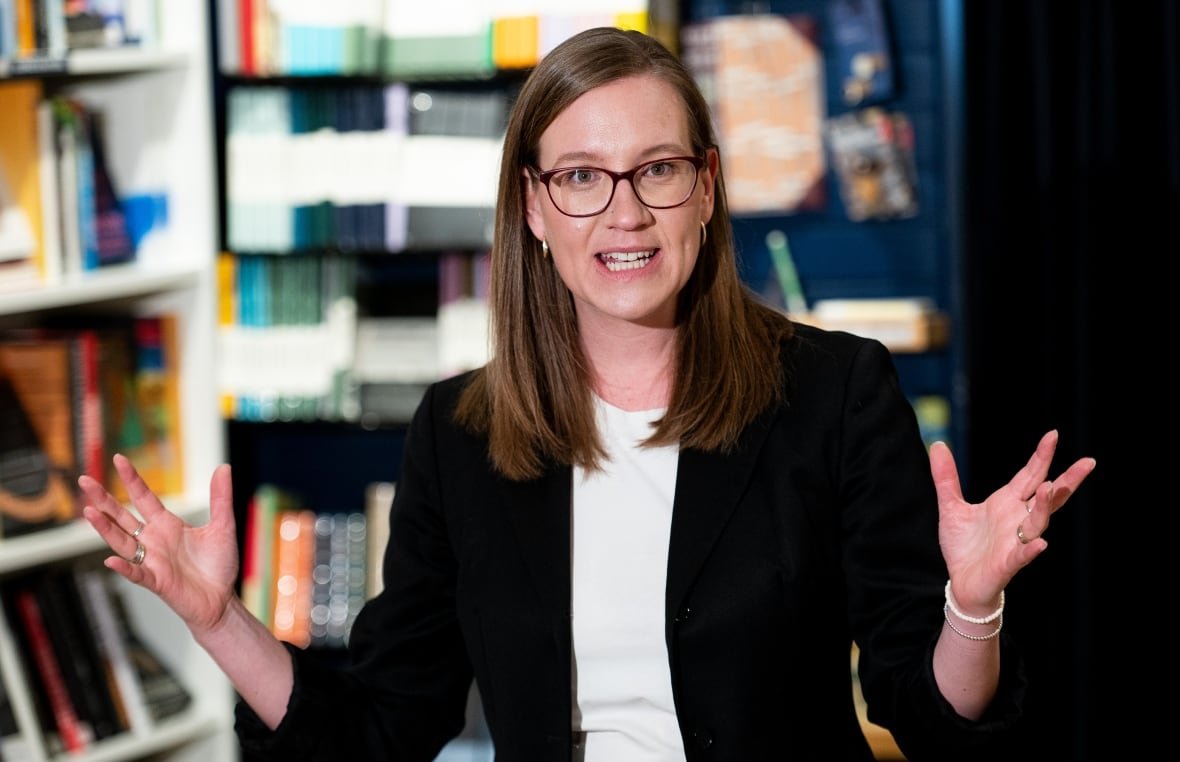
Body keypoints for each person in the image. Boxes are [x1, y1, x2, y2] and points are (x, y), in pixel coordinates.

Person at [79, 26, 1095, 762]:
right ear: (532, 205)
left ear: (703, 187)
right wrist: (219, 620)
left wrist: (970, 607)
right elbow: (384, 727)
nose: (624, 212)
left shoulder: (831, 392)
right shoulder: (459, 432)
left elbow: (926, 717)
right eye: (580, 177)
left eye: (655, 169)